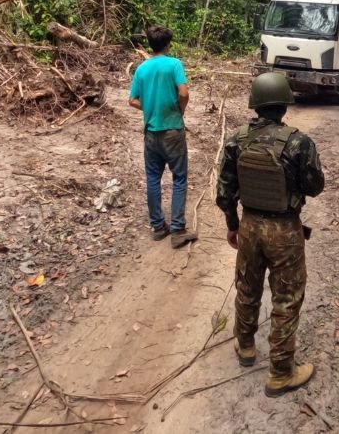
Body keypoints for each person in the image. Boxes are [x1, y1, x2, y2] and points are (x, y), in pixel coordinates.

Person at [216, 72, 325, 397]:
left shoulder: (236, 139)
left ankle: (245, 346)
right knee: (287, 299)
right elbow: (315, 187)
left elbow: (225, 191)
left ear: (256, 105)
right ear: (284, 106)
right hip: (284, 230)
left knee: (247, 288)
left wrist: (232, 225)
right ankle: (280, 373)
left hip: (249, 226)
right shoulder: (299, 142)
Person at [128, 25, 196, 249]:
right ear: (168, 43)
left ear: (150, 44)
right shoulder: (174, 64)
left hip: (151, 132)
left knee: (153, 178)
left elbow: (132, 100)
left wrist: (150, 108)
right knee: (179, 178)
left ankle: (158, 227)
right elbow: (184, 93)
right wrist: (180, 110)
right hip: (173, 130)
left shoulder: (142, 69)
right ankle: (178, 230)